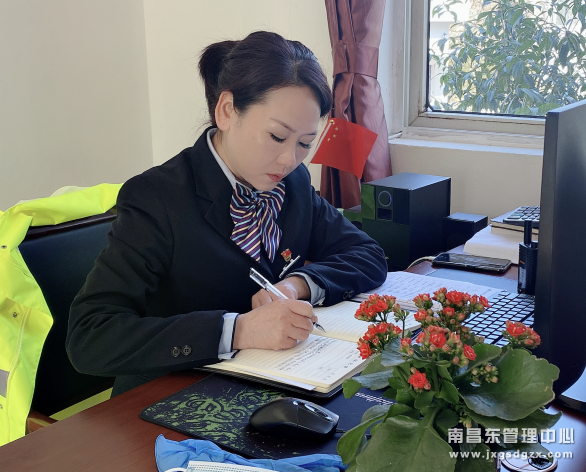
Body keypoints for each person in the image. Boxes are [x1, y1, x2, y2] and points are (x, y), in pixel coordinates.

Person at [66, 31, 388, 396]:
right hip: (169, 396)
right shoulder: (157, 198)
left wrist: (296, 285)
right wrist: (239, 330)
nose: (289, 160)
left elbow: (367, 254)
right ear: (226, 111)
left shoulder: (293, 183)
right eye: (277, 137)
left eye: (304, 143)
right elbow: (89, 337)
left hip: (274, 382)